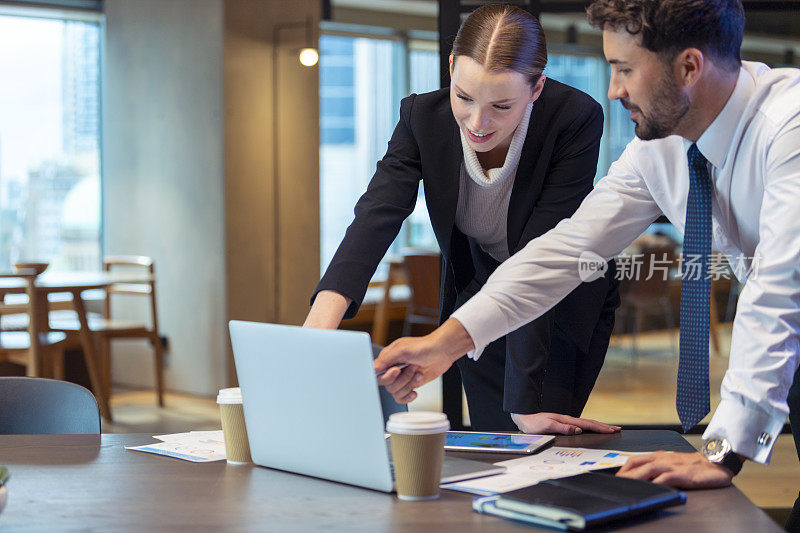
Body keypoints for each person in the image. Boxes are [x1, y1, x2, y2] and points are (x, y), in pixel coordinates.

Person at [375, 0, 800, 503]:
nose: (612, 89)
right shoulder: (658, 150)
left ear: (688, 67)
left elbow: (778, 288)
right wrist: (442, 345)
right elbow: (562, 252)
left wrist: (721, 452)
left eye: (624, 69)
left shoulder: (787, 127)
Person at [305, 4, 620, 435]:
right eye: (464, 97)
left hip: (558, 293)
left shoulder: (574, 118)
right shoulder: (422, 118)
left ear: (536, 88)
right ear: (451, 67)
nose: (477, 122)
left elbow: (541, 250)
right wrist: (316, 332)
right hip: (482, 288)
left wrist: (526, 404)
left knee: (533, 436)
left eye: (501, 106)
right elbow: (377, 214)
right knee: (495, 435)